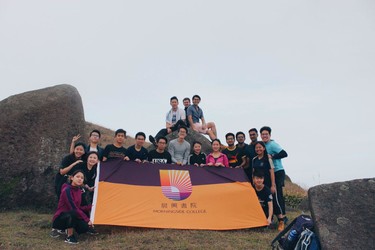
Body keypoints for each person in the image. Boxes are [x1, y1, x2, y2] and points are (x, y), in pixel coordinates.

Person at [51, 170, 97, 244]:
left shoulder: (79, 191)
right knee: (72, 213)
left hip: (71, 216)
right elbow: (73, 208)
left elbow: (78, 207)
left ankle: (70, 229)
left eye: (82, 178)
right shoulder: (67, 190)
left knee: (84, 227)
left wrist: (91, 207)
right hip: (60, 219)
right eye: (77, 177)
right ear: (72, 178)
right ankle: (69, 236)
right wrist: (87, 219)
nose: (80, 179)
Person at [260, 126, 288, 231]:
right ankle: (273, 216)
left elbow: (284, 153)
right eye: (263, 134)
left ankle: (283, 217)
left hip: (278, 171)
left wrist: (272, 155)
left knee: (278, 194)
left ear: (270, 135)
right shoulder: (263, 145)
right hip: (270, 172)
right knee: (272, 194)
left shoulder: (272, 144)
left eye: (266, 134)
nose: (264, 136)